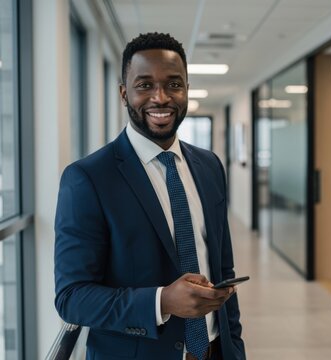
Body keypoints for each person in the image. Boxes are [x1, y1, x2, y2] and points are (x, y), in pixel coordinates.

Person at [54, 32, 246, 360]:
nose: (160, 97)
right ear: (123, 93)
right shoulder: (88, 178)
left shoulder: (209, 166)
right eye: (144, 85)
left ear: (186, 89)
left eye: (174, 84)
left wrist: (235, 350)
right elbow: (72, 298)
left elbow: (222, 269)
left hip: (213, 351)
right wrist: (163, 301)